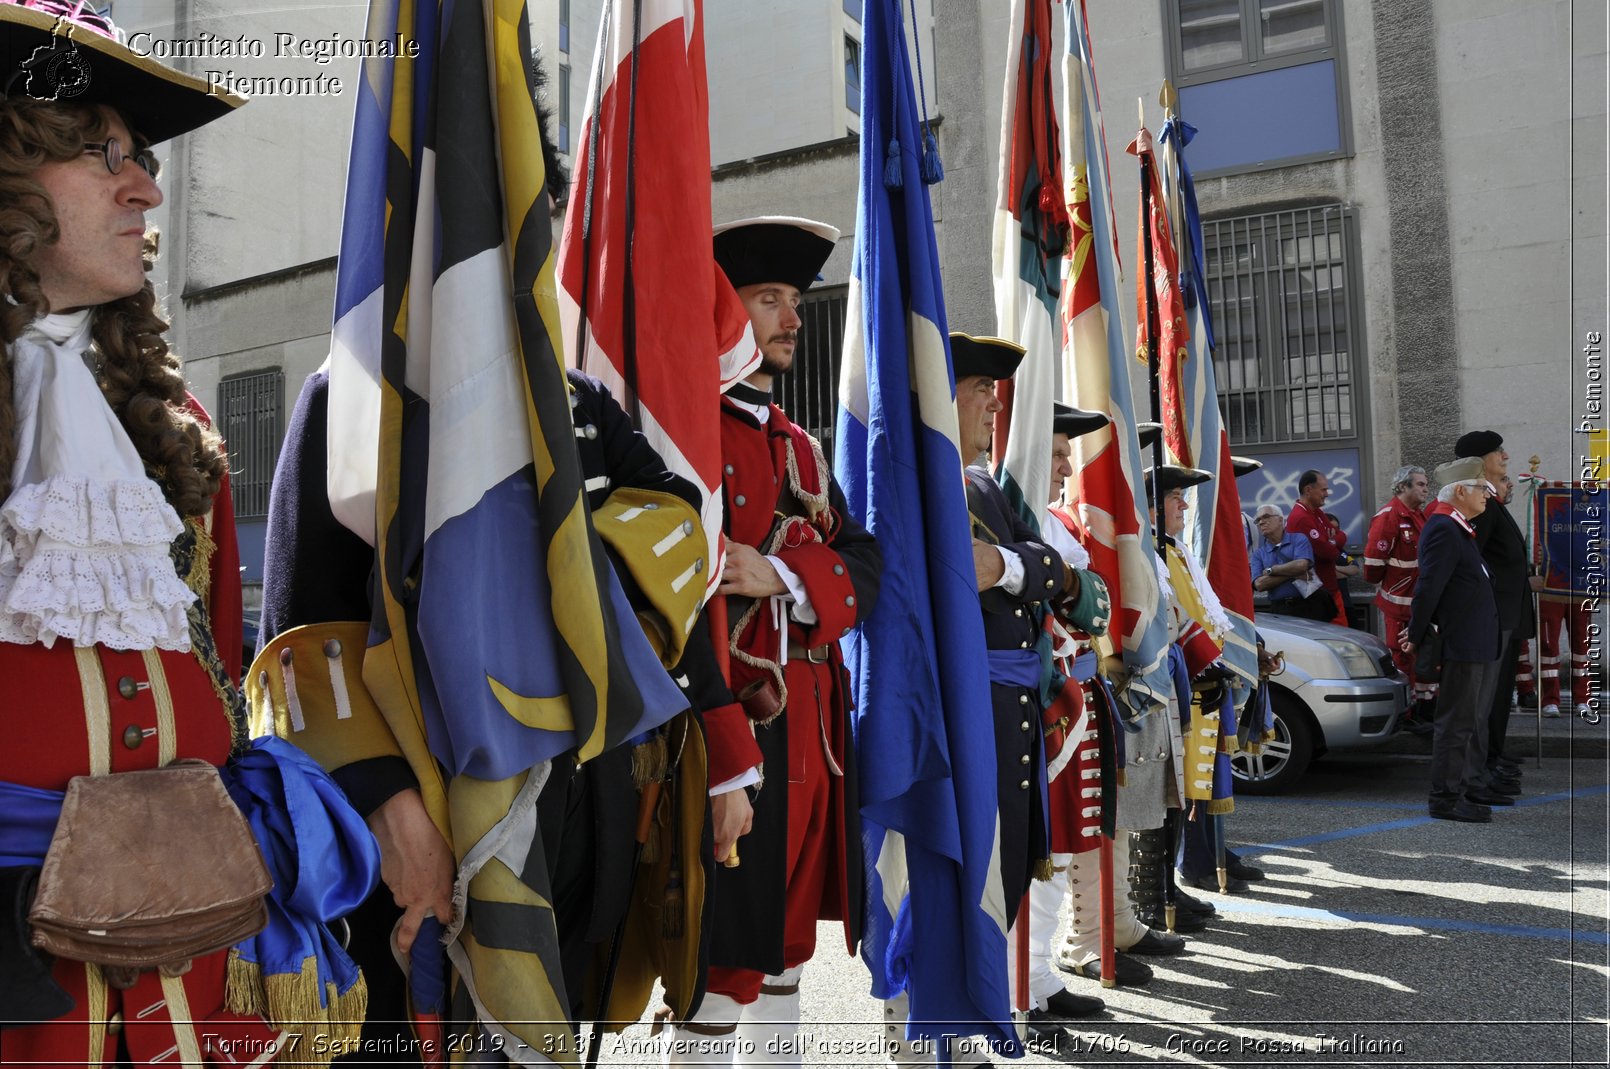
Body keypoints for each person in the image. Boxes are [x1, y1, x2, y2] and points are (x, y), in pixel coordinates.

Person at [254, 74, 736, 1060]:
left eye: (533, 210)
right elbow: (302, 648)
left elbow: (684, 531)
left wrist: (543, 571)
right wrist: (395, 818)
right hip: (422, 856)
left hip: (584, 834)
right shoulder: (350, 402)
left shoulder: (582, 410)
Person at [0, 3, 374, 1063]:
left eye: (142, 160)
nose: (145, 190)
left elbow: (215, 665)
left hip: (185, 950)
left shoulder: (173, 437)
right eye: (97, 155)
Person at [663, 217, 880, 1066]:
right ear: (725, 310)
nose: (791, 318)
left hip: (814, 731)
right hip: (735, 723)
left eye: (794, 301)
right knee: (725, 954)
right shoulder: (687, 432)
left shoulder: (799, 443)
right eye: (767, 300)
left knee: (788, 948)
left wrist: (784, 574)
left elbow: (866, 563)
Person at [1011, 401, 1113, 1037]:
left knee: (1057, 844)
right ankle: (1021, 983)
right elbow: (1073, 598)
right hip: (1036, 701)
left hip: (1066, 699)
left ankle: (1041, 975)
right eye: (1053, 455)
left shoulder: (1051, 521)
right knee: (1033, 849)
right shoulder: (1013, 512)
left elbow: (1094, 602)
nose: (1064, 468)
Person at [1403, 457, 1507, 822]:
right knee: (1456, 722)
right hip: (1462, 642)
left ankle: (1458, 791)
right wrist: (1416, 634)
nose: (1488, 496)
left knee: (1465, 721)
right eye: (1483, 489)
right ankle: (1445, 798)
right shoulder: (1444, 528)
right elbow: (1429, 586)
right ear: (1461, 491)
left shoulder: (1459, 528)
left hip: (1474, 641)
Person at [1456, 430, 1531, 798]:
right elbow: (1474, 564)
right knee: (1480, 703)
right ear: (1479, 461)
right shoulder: (1478, 506)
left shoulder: (1489, 503)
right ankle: (1475, 775)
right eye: (1497, 452)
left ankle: (1485, 766)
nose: (1505, 456)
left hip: (1504, 614)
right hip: (1491, 616)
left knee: (1493, 698)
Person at [1364, 465, 1435, 730]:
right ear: (1402, 487)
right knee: (1402, 657)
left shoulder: (1419, 516)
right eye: (1419, 484)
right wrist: (1398, 584)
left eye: (1426, 484)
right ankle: (1407, 713)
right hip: (1399, 604)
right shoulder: (1389, 516)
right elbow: (1372, 565)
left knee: (1424, 657)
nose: (1425, 488)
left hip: (1418, 603)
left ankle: (1426, 706)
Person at [1287, 470, 1350, 626]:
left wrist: (1331, 541)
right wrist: (1330, 543)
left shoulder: (1317, 513)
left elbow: (1341, 535)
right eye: (1323, 489)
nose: (1327, 494)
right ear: (1309, 490)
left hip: (1329, 590)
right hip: (1319, 594)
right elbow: (1326, 552)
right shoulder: (1301, 518)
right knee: (1335, 639)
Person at [1250, 505, 1332, 621]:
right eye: (1258, 520)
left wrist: (1271, 571)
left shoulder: (1298, 539)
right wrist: (1293, 572)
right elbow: (1259, 584)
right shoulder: (1258, 554)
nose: (1261, 522)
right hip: (1280, 608)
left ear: (1280, 520)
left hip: (1309, 604)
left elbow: (1301, 565)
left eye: (1266, 517)